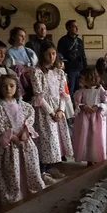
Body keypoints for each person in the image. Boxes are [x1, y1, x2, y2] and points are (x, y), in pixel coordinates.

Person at [0, 75, 45, 209]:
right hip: (9, 146)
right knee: (12, 170)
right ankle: (15, 197)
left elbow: (30, 116)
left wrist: (25, 131)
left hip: (25, 143)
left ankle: (32, 191)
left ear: (17, 87)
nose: (8, 89)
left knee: (29, 166)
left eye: (11, 86)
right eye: (4, 86)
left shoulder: (23, 105)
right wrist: (12, 137)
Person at [30, 41, 73, 185]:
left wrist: (60, 110)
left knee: (56, 141)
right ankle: (41, 170)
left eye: (54, 53)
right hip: (44, 111)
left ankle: (50, 167)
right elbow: (39, 96)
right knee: (45, 140)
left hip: (57, 109)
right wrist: (51, 113)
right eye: (48, 54)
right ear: (42, 55)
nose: (52, 56)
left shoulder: (59, 72)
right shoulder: (36, 72)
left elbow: (63, 94)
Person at [72, 67, 107, 165]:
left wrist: (98, 106)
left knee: (96, 137)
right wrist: (84, 106)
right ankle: (89, 158)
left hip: (97, 117)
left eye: (83, 78)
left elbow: (105, 101)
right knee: (87, 137)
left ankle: (96, 156)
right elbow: (77, 102)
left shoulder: (100, 89)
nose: (81, 81)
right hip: (85, 118)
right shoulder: (81, 91)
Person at [57, 20, 87, 98]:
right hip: (70, 70)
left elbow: (83, 55)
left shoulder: (80, 41)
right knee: (70, 90)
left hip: (80, 69)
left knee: (81, 90)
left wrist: (85, 69)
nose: (77, 28)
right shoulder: (63, 40)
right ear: (68, 28)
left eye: (77, 26)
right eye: (74, 26)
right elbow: (60, 56)